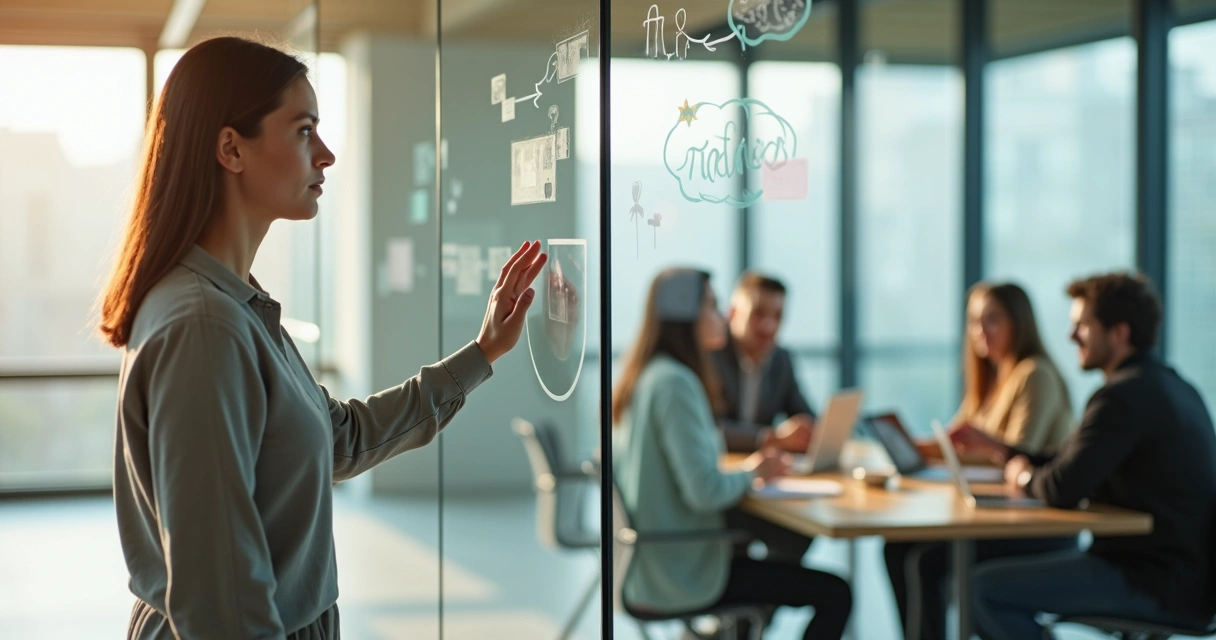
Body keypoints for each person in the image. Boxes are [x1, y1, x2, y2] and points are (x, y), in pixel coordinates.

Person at [97, 37, 547, 640]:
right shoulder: (205, 325)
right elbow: (220, 601)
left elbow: (338, 439)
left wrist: (483, 351)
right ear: (231, 148)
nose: (327, 155)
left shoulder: (235, 303)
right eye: (304, 130)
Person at [970, 272, 1216, 640]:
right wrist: (1012, 454)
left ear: (1120, 332)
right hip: (1189, 582)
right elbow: (1072, 460)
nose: (1071, 337)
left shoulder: (1121, 398)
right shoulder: (1173, 387)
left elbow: (1062, 487)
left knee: (982, 589)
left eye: (1082, 326)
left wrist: (1021, 476)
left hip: (1148, 580)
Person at [612, 268, 852, 640]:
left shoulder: (654, 375)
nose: (719, 315)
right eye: (712, 305)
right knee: (836, 594)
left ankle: (739, 632)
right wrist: (756, 471)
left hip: (658, 559)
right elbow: (703, 490)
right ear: (687, 316)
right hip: (681, 570)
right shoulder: (676, 383)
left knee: (789, 544)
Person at [884, 282, 1077, 640]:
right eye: (974, 321)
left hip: (1037, 524)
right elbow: (958, 445)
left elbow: (1018, 457)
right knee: (897, 547)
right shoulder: (991, 379)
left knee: (927, 561)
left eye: (992, 320)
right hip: (995, 517)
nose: (980, 331)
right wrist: (907, 445)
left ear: (1019, 323)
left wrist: (980, 444)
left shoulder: (1035, 374)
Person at [711, 272, 820, 565]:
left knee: (800, 531)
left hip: (763, 482)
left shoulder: (781, 359)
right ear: (733, 313)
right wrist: (772, 437)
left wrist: (811, 432)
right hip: (719, 487)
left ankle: (760, 609)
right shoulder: (711, 355)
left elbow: (804, 413)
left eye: (777, 316)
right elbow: (711, 430)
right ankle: (747, 604)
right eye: (758, 313)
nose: (768, 326)